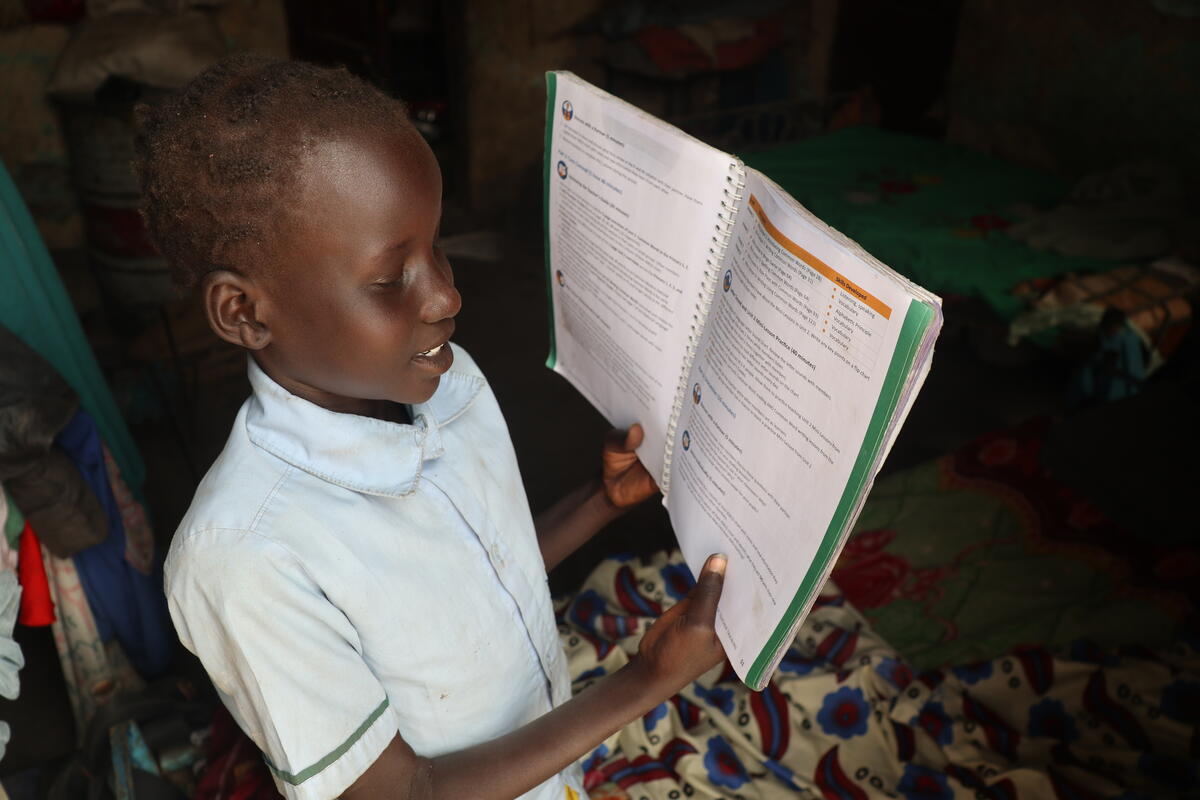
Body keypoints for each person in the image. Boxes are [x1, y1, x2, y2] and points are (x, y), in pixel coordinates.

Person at [135, 55, 727, 800]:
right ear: (244, 312)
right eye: (390, 280)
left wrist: (600, 502)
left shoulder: (449, 383)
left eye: (438, 245)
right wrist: (646, 681)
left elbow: (479, 575)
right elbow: (401, 791)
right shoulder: (246, 558)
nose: (446, 295)